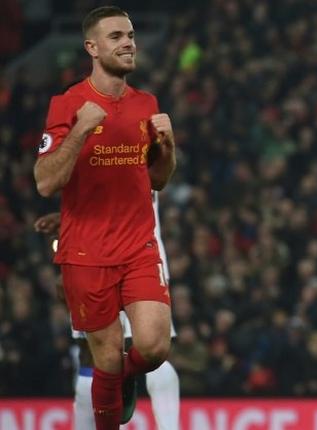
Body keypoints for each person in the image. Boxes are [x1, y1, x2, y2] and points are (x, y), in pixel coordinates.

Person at [32, 6, 176, 429]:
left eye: (130, 35)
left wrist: (167, 148)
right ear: (91, 48)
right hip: (85, 252)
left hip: (138, 245)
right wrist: (79, 130)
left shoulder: (146, 104)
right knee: (106, 357)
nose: (128, 42)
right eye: (116, 37)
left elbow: (158, 181)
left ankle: (126, 379)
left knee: (153, 348)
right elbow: (45, 182)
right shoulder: (68, 104)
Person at [34, 192, 180, 429]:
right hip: (134, 251)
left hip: (109, 254)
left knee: (121, 353)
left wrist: (71, 220)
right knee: (133, 353)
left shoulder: (102, 157)